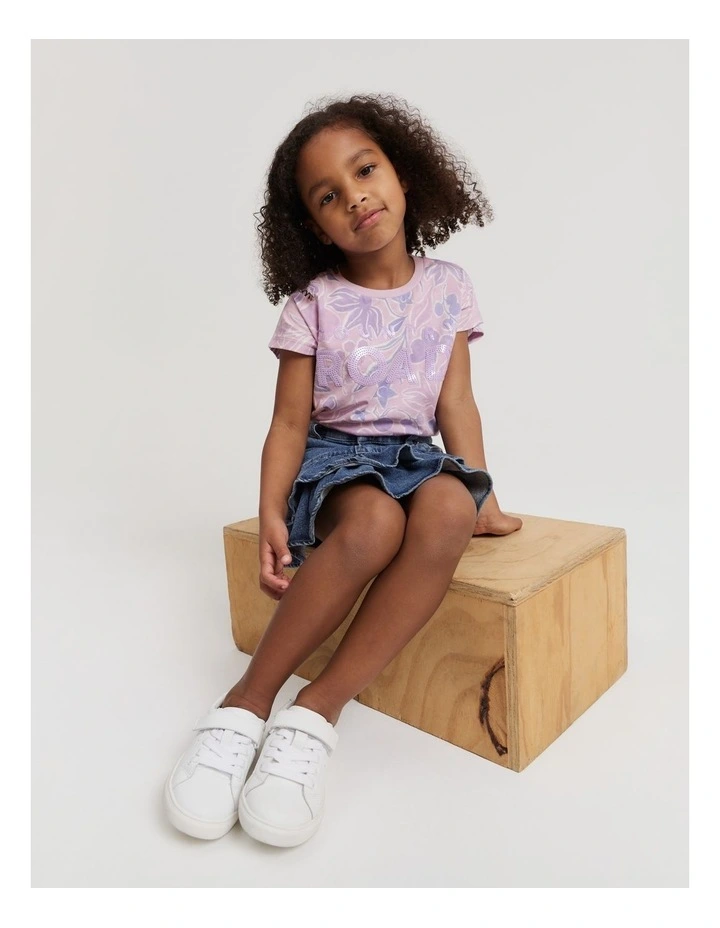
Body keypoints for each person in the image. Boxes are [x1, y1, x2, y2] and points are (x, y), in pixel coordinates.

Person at [164, 93, 523, 849]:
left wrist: (483, 494)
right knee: (374, 522)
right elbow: (289, 423)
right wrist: (270, 510)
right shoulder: (314, 304)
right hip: (334, 459)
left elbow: (456, 400)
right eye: (328, 196)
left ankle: (314, 714)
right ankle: (244, 705)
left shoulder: (450, 287)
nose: (355, 197)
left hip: (415, 456)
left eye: (365, 171)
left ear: (404, 173)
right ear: (313, 226)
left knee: (450, 509)